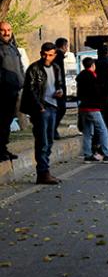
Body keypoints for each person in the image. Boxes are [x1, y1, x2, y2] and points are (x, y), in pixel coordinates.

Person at [20, 42, 64, 184]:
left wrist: (60, 92)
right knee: (42, 141)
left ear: (55, 55)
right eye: (44, 54)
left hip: (53, 106)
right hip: (41, 109)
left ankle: (45, 170)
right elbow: (30, 90)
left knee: (49, 140)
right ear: (41, 53)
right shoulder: (34, 68)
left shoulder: (56, 68)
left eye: (50, 55)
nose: (47, 57)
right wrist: (39, 107)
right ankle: (43, 173)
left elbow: (59, 85)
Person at [76, 58, 108, 163]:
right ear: (93, 65)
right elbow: (97, 91)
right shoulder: (92, 77)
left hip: (83, 107)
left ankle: (88, 155)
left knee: (87, 132)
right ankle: (106, 154)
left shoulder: (80, 77)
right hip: (93, 107)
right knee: (103, 130)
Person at [0, 21, 24, 161]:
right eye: (3, 30)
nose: (6, 33)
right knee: (2, 122)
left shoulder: (12, 47)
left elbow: (19, 67)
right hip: (3, 92)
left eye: (9, 30)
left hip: (14, 91)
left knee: (7, 122)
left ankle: (3, 148)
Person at [53, 37, 70, 140]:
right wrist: (60, 86)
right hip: (58, 87)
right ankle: (52, 129)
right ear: (63, 46)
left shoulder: (59, 57)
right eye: (66, 46)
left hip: (58, 86)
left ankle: (52, 129)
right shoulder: (58, 57)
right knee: (61, 108)